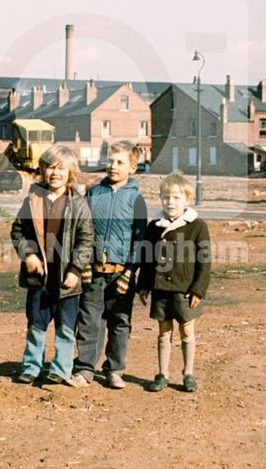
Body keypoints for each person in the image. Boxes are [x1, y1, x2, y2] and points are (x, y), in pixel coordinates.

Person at [9, 144, 94, 386]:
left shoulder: (78, 204)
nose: (54, 173)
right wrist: (29, 255)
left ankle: (60, 369)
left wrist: (76, 270)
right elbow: (18, 231)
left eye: (61, 169)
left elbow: (86, 240)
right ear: (42, 170)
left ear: (71, 173)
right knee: (36, 322)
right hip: (39, 277)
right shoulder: (33, 200)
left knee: (66, 326)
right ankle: (31, 366)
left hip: (66, 277)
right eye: (49, 167)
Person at [70, 141, 148, 389]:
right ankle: (84, 368)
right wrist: (82, 263)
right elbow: (83, 230)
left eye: (120, 162)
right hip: (93, 271)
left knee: (120, 321)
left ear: (132, 168)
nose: (113, 166)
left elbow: (140, 237)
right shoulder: (94, 194)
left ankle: (114, 369)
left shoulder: (136, 199)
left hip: (121, 274)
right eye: (110, 161)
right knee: (89, 320)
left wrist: (130, 270)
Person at [137, 171, 211, 393]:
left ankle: (188, 373)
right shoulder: (154, 227)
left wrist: (198, 289)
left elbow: (204, 262)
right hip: (161, 289)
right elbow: (147, 259)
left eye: (177, 198)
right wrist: (143, 286)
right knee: (164, 331)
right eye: (166, 197)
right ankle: (163, 374)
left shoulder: (197, 226)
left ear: (187, 200)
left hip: (185, 290)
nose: (171, 202)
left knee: (186, 331)